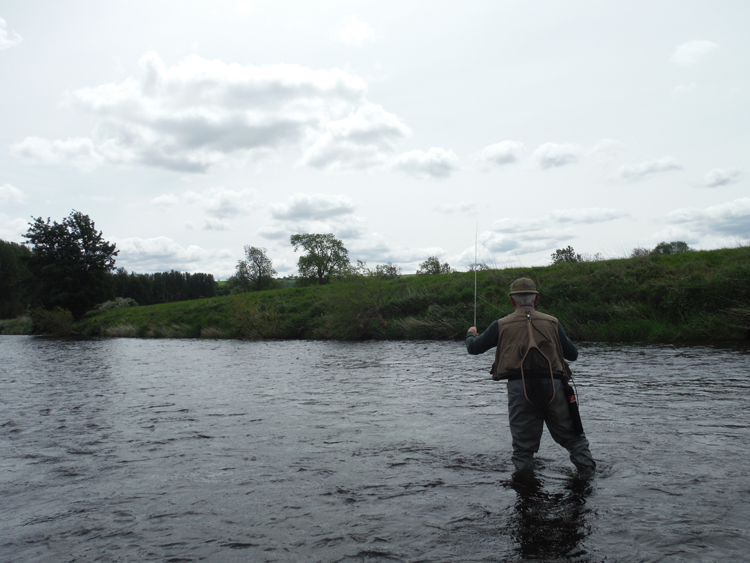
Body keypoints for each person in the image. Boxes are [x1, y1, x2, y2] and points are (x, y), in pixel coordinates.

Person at [466, 277, 595, 477]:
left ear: (512, 300)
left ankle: (526, 492)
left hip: (520, 388)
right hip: (555, 386)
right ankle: (589, 477)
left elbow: (473, 349)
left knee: (523, 449)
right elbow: (573, 354)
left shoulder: (500, 325)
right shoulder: (553, 322)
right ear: (536, 300)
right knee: (574, 439)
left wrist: (470, 333)